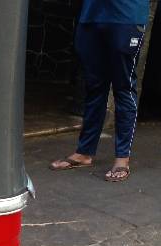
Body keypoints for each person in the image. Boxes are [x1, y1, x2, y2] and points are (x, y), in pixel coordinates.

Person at [50, 0, 151, 181]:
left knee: (124, 87)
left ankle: (122, 159)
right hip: (91, 17)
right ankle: (84, 153)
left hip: (126, 16)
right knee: (94, 87)